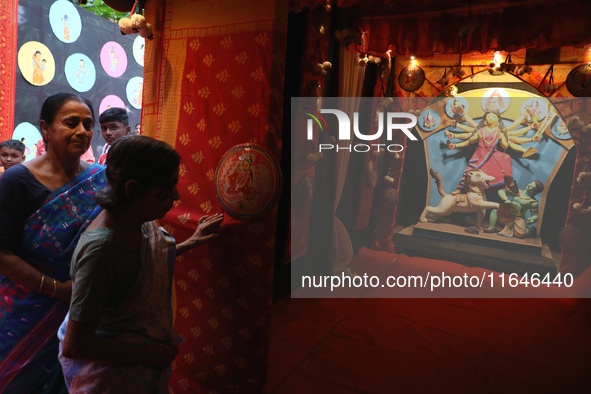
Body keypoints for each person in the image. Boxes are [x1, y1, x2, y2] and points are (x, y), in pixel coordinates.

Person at [58, 135, 224, 392]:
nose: (177, 196)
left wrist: (192, 241)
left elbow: (142, 266)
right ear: (133, 189)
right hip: (109, 381)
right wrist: (150, 354)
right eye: (166, 189)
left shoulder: (136, 221)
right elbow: (76, 346)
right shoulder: (102, 249)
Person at [0, 93, 106, 393]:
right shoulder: (17, 181)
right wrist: (57, 290)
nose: (82, 131)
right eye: (71, 123)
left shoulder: (100, 180)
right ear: (45, 129)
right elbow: (2, 252)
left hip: (82, 312)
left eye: (88, 124)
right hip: (26, 312)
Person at [446, 109, 535, 189]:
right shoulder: (481, 130)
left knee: (506, 157)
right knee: (470, 171)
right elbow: (470, 141)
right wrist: (476, 137)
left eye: (493, 116)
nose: (491, 118)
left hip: (493, 152)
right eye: (488, 116)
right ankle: (460, 187)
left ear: (498, 120)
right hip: (480, 153)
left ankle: (506, 183)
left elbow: (505, 146)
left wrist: (501, 139)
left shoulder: (500, 131)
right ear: (485, 120)